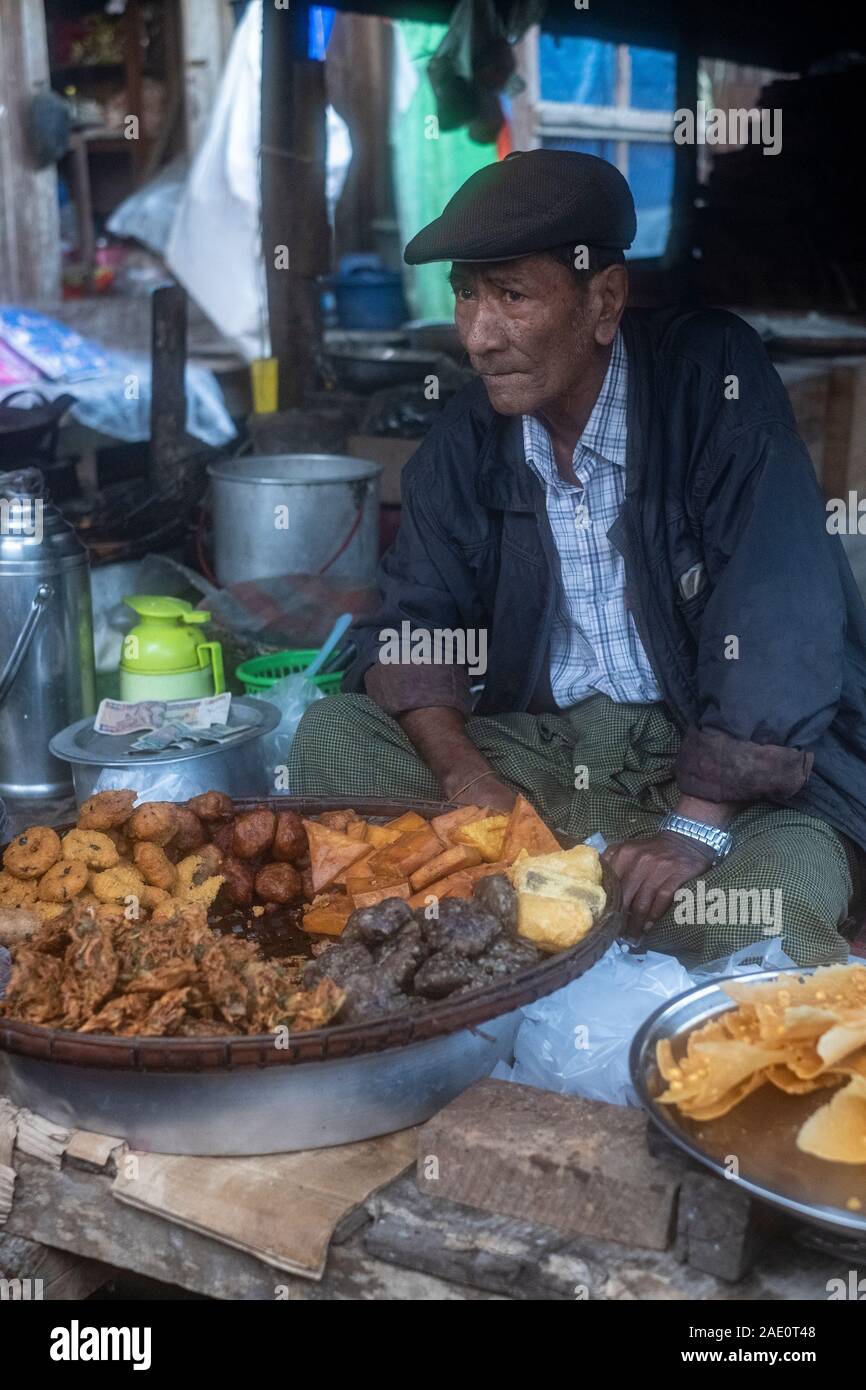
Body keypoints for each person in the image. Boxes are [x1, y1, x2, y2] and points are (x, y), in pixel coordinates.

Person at [289, 149, 866, 965]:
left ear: (604, 300)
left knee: (767, 910)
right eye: (465, 295)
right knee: (330, 736)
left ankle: (521, 911)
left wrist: (695, 826)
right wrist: (469, 784)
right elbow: (416, 619)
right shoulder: (468, 434)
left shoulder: (711, 383)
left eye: (512, 296)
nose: (478, 337)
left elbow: (780, 615)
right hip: (552, 757)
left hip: (715, 771)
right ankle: (554, 899)